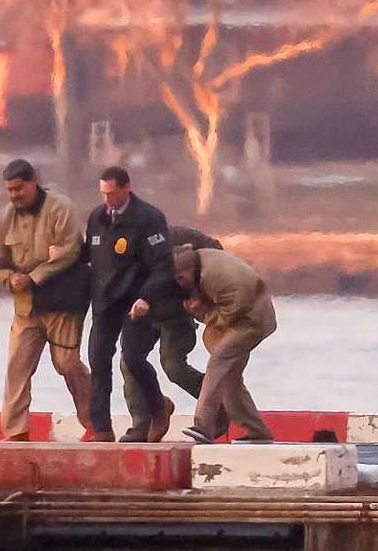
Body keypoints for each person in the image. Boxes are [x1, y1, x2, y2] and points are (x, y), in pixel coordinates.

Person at [0, 159, 92, 441]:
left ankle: (94, 422)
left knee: (66, 364)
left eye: (19, 189)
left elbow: (70, 252)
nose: (14, 195)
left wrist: (33, 276)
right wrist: (9, 278)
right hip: (26, 307)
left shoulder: (60, 208)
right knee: (17, 366)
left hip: (62, 303)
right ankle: (16, 431)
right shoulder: (6, 217)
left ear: (33, 182)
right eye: (9, 190)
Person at [85, 166, 174, 443]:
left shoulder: (149, 218)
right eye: (104, 194)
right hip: (105, 302)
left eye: (112, 193)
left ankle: (159, 407)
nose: (108, 200)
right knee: (98, 360)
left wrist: (146, 297)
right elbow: (89, 256)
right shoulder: (97, 218)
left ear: (126, 188)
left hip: (137, 300)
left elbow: (163, 266)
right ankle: (101, 428)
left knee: (133, 359)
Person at [118, 226, 228, 442]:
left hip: (176, 315)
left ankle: (218, 408)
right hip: (141, 315)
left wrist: (199, 292)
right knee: (129, 363)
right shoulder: (117, 246)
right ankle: (143, 422)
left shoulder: (176, 237)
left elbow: (215, 251)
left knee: (174, 367)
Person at [174, 245, 276, 444]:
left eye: (180, 278)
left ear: (190, 270)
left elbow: (236, 306)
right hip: (238, 315)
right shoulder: (198, 267)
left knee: (218, 362)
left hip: (251, 319)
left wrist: (203, 312)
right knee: (230, 378)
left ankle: (203, 425)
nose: (179, 283)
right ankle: (257, 431)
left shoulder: (216, 276)